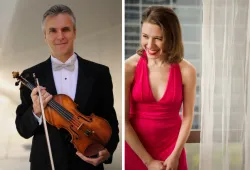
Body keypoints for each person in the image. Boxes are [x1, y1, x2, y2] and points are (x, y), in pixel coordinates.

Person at [15, 4, 119, 170]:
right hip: (46, 164)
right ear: (45, 36)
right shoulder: (30, 76)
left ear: (75, 32)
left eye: (66, 29)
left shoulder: (99, 73)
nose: (60, 36)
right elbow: (23, 129)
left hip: (88, 163)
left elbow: (110, 120)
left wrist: (108, 151)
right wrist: (35, 111)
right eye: (53, 31)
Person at [125, 6, 196, 170]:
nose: (150, 45)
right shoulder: (129, 68)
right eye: (145, 36)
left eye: (158, 38)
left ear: (171, 38)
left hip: (172, 151)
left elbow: (187, 117)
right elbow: (124, 122)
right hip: (137, 150)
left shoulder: (187, 71)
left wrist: (175, 155)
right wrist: (148, 162)